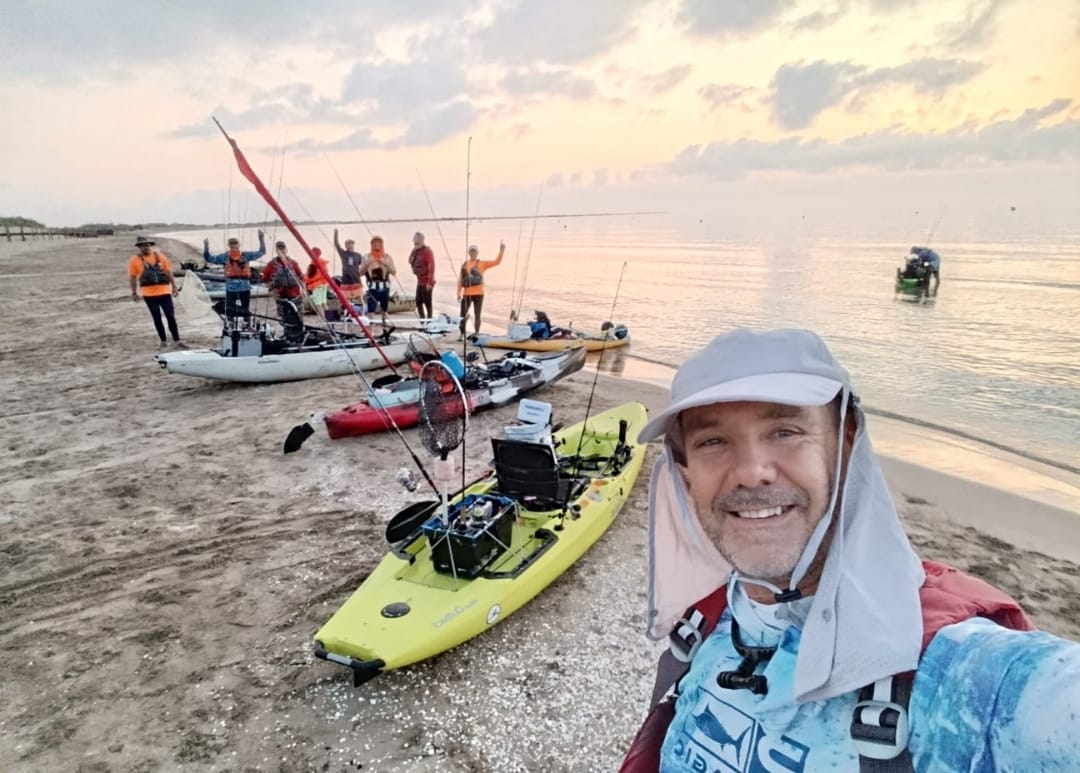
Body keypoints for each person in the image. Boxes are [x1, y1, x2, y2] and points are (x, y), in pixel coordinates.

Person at [620, 328, 1080, 772]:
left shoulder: (967, 677)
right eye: (713, 441)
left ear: (846, 444)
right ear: (684, 473)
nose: (751, 471)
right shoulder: (705, 621)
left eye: (785, 431)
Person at [128, 235, 187, 350]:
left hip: (164, 292)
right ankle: (163, 341)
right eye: (142, 246)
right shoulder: (134, 260)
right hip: (149, 295)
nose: (145, 247)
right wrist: (134, 292)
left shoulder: (160, 257)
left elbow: (169, 272)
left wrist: (174, 286)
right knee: (156, 317)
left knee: (170, 316)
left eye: (147, 245)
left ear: (150, 245)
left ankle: (177, 340)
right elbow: (132, 277)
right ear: (139, 247)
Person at [203, 230, 266, 323]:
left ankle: (247, 324)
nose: (234, 246)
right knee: (230, 308)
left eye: (235, 243)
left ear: (239, 245)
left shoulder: (246, 255)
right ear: (229, 245)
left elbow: (262, 252)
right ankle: (230, 325)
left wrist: (261, 239)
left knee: (245, 308)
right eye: (231, 244)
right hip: (231, 287)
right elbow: (208, 258)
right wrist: (206, 245)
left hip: (245, 286)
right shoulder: (224, 257)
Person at [456, 241, 505, 340]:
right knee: (462, 314)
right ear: (468, 253)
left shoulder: (483, 263)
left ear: (477, 253)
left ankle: (477, 333)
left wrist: (501, 251)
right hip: (466, 294)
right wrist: (458, 294)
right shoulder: (465, 264)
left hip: (479, 293)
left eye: (474, 251)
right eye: (471, 251)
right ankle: (462, 334)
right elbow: (460, 280)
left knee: (477, 314)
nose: (472, 253)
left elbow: (497, 262)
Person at [360, 235, 397, 325]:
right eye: (374, 242)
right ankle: (370, 332)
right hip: (372, 289)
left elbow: (394, 272)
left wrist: (385, 263)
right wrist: (368, 263)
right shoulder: (366, 257)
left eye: (379, 242)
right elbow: (360, 273)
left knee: (384, 310)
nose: (377, 244)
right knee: (371, 311)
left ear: (382, 244)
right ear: (371, 244)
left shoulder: (387, 257)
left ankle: (385, 329)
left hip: (385, 288)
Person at [408, 231, 436, 320]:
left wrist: (429, 282)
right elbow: (410, 261)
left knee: (428, 303)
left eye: (418, 241)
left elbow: (431, 266)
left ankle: (429, 320)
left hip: (427, 281)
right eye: (415, 242)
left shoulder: (427, 251)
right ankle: (423, 320)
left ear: (422, 241)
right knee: (418, 302)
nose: (415, 243)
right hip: (419, 281)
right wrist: (413, 252)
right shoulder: (416, 251)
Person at [333, 229, 365, 303]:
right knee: (345, 300)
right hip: (345, 281)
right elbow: (336, 244)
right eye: (348, 244)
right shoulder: (343, 253)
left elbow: (363, 266)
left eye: (351, 243)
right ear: (345, 245)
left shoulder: (358, 255)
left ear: (353, 245)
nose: (350, 245)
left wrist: (360, 273)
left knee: (359, 300)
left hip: (356, 281)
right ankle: (347, 312)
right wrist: (336, 233)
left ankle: (362, 313)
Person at [304, 247, 329, 318]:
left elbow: (310, 276)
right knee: (324, 303)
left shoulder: (313, 263)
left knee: (318, 304)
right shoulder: (323, 262)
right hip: (324, 284)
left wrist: (304, 279)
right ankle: (330, 319)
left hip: (317, 286)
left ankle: (325, 320)